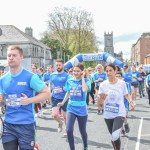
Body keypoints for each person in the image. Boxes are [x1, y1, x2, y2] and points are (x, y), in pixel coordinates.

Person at [0, 45, 50, 150]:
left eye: (14, 55)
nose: (11, 57)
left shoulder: (30, 77)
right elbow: (2, 102)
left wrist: (30, 100)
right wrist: (1, 101)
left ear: (21, 58)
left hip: (26, 125)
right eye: (9, 55)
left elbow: (47, 93)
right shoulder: (3, 79)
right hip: (9, 125)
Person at [99, 63, 135, 150]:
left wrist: (131, 102)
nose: (108, 73)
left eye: (110, 70)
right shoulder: (103, 85)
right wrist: (102, 98)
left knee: (115, 135)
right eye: (106, 71)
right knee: (113, 136)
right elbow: (100, 102)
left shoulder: (122, 83)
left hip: (120, 112)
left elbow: (126, 94)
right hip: (108, 113)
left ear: (115, 71)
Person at [57, 63, 91, 150]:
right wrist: (62, 102)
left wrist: (83, 78)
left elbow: (85, 90)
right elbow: (68, 92)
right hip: (71, 108)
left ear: (82, 72)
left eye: (78, 71)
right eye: (74, 71)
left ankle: (85, 146)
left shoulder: (86, 81)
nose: (75, 73)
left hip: (82, 109)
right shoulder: (70, 81)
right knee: (68, 130)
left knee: (82, 131)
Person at [49, 59, 71, 136]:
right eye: (57, 65)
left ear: (63, 65)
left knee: (65, 116)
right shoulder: (52, 75)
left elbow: (69, 86)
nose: (58, 67)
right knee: (54, 115)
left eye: (59, 65)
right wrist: (49, 93)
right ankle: (60, 123)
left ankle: (66, 129)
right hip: (55, 97)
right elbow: (50, 84)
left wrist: (64, 88)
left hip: (64, 98)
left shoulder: (67, 76)